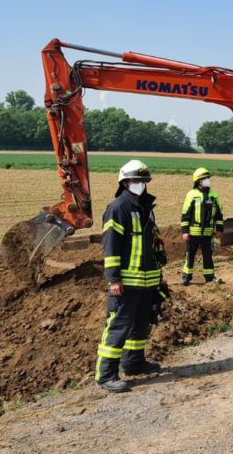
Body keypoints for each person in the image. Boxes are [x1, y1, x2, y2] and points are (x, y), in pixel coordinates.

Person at [95, 159, 164, 393]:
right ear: (124, 182)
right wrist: (113, 279)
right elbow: (111, 247)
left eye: (144, 180)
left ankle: (134, 363)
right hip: (125, 282)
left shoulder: (145, 208)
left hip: (146, 282)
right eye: (136, 180)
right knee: (118, 327)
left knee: (140, 325)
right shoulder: (118, 208)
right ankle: (106, 375)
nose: (141, 184)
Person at [179, 167, 224, 285]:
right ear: (198, 181)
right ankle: (186, 277)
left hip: (208, 233)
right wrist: (185, 231)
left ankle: (209, 277)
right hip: (193, 233)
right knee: (190, 255)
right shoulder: (191, 195)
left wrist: (219, 229)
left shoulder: (214, 195)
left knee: (208, 256)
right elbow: (185, 215)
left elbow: (219, 215)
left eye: (207, 178)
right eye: (204, 178)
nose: (207, 180)